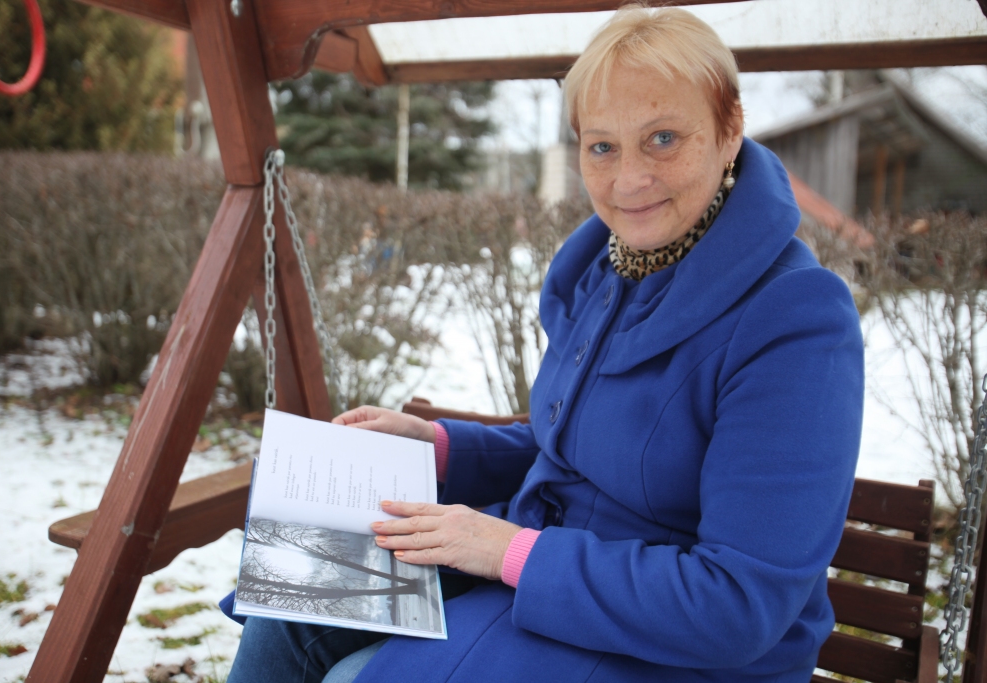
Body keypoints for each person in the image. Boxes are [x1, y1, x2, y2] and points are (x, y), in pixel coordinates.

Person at [225, 6, 864, 682]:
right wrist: (438, 447)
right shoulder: (609, 272)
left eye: (663, 138)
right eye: (602, 147)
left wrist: (509, 550)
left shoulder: (794, 317)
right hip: (545, 572)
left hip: (672, 646)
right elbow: (574, 453)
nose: (628, 179)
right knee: (296, 599)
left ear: (729, 129)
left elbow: (736, 604)